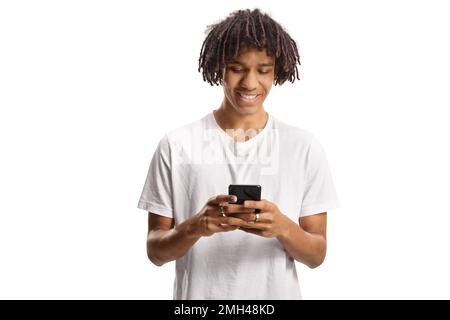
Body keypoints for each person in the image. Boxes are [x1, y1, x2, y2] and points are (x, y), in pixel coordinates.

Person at [137, 8, 339, 300]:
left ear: (277, 71)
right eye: (237, 68)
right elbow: (155, 251)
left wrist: (282, 227)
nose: (250, 83)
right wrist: (196, 226)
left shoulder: (304, 147)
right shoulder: (176, 144)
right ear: (219, 66)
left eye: (263, 69)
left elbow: (316, 254)